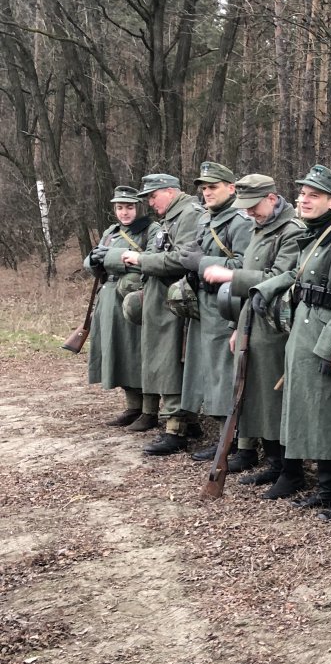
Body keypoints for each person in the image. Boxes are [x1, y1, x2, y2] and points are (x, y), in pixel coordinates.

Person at [251, 165, 331, 501]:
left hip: (323, 333)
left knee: (327, 412)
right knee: (303, 407)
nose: (303, 200)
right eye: (302, 194)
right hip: (302, 330)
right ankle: (305, 479)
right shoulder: (315, 233)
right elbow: (295, 272)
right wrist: (265, 288)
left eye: (313, 195)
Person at [202, 174, 305, 485]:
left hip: (276, 327)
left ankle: (290, 470)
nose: (249, 212)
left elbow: (282, 275)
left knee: (275, 400)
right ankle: (273, 463)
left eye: (254, 205)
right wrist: (238, 326)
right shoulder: (259, 228)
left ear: (272, 199)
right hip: (252, 321)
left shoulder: (291, 231)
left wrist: (231, 277)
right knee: (256, 396)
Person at [122, 174, 206, 455]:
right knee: (164, 360)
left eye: (153, 196)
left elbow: (183, 259)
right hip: (164, 299)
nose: (149, 202)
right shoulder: (172, 217)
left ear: (170, 192)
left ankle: (176, 429)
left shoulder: (189, 215)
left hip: (176, 302)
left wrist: (142, 260)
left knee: (171, 363)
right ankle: (186, 422)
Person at [181, 162, 253, 463]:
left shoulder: (240, 221)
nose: (207, 193)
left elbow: (246, 267)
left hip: (228, 306)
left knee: (226, 374)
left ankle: (234, 442)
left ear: (231, 188)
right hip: (206, 303)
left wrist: (202, 262)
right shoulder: (206, 219)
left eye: (213, 187)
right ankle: (224, 438)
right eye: (204, 188)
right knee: (211, 372)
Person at [85, 186, 156, 428]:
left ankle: (149, 411)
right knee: (119, 353)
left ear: (138, 207)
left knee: (138, 353)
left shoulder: (151, 230)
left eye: (129, 207)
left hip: (134, 298)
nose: (124, 212)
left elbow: (151, 261)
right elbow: (93, 259)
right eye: (120, 207)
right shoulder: (111, 231)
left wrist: (111, 257)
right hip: (109, 298)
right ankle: (133, 407)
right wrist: (93, 260)